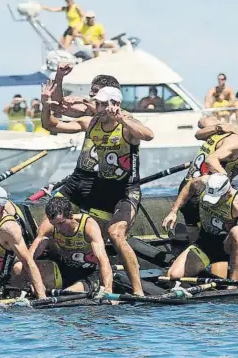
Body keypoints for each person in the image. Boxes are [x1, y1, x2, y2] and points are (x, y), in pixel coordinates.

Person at [41, 83, 154, 296]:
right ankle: (98, 283)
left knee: (116, 234)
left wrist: (122, 118)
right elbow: (51, 125)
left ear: (115, 105)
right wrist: (46, 104)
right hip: (103, 190)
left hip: (127, 191)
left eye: (103, 105)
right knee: (92, 238)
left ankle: (138, 291)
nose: (99, 108)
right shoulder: (92, 123)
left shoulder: (127, 126)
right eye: (98, 104)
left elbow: (148, 135)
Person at [163, 174, 238, 283]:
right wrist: (174, 211)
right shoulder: (203, 182)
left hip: (228, 246)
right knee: (173, 275)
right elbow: (189, 185)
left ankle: (234, 283)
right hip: (205, 243)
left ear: (226, 193)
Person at [42, 68, 123, 215]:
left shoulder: (122, 117)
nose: (91, 94)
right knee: (52, 217)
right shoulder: (87, 114)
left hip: (102, 182)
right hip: (79, 177)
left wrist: (83, 100)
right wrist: (59, 77)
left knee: (93, 227)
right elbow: (56, 106)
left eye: (95, 91)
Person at [27, 196, 114, 294]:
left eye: (61, 223)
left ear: (71, 215)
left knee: (68, 293)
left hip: (90, 272)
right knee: (19, 269)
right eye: (54, 225)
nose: (58, 229)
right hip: (64, 269)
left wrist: (108, 289)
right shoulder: (48, 227)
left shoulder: (88, 227)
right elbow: (29, 259)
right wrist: (35, 282)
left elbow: (103, 260)